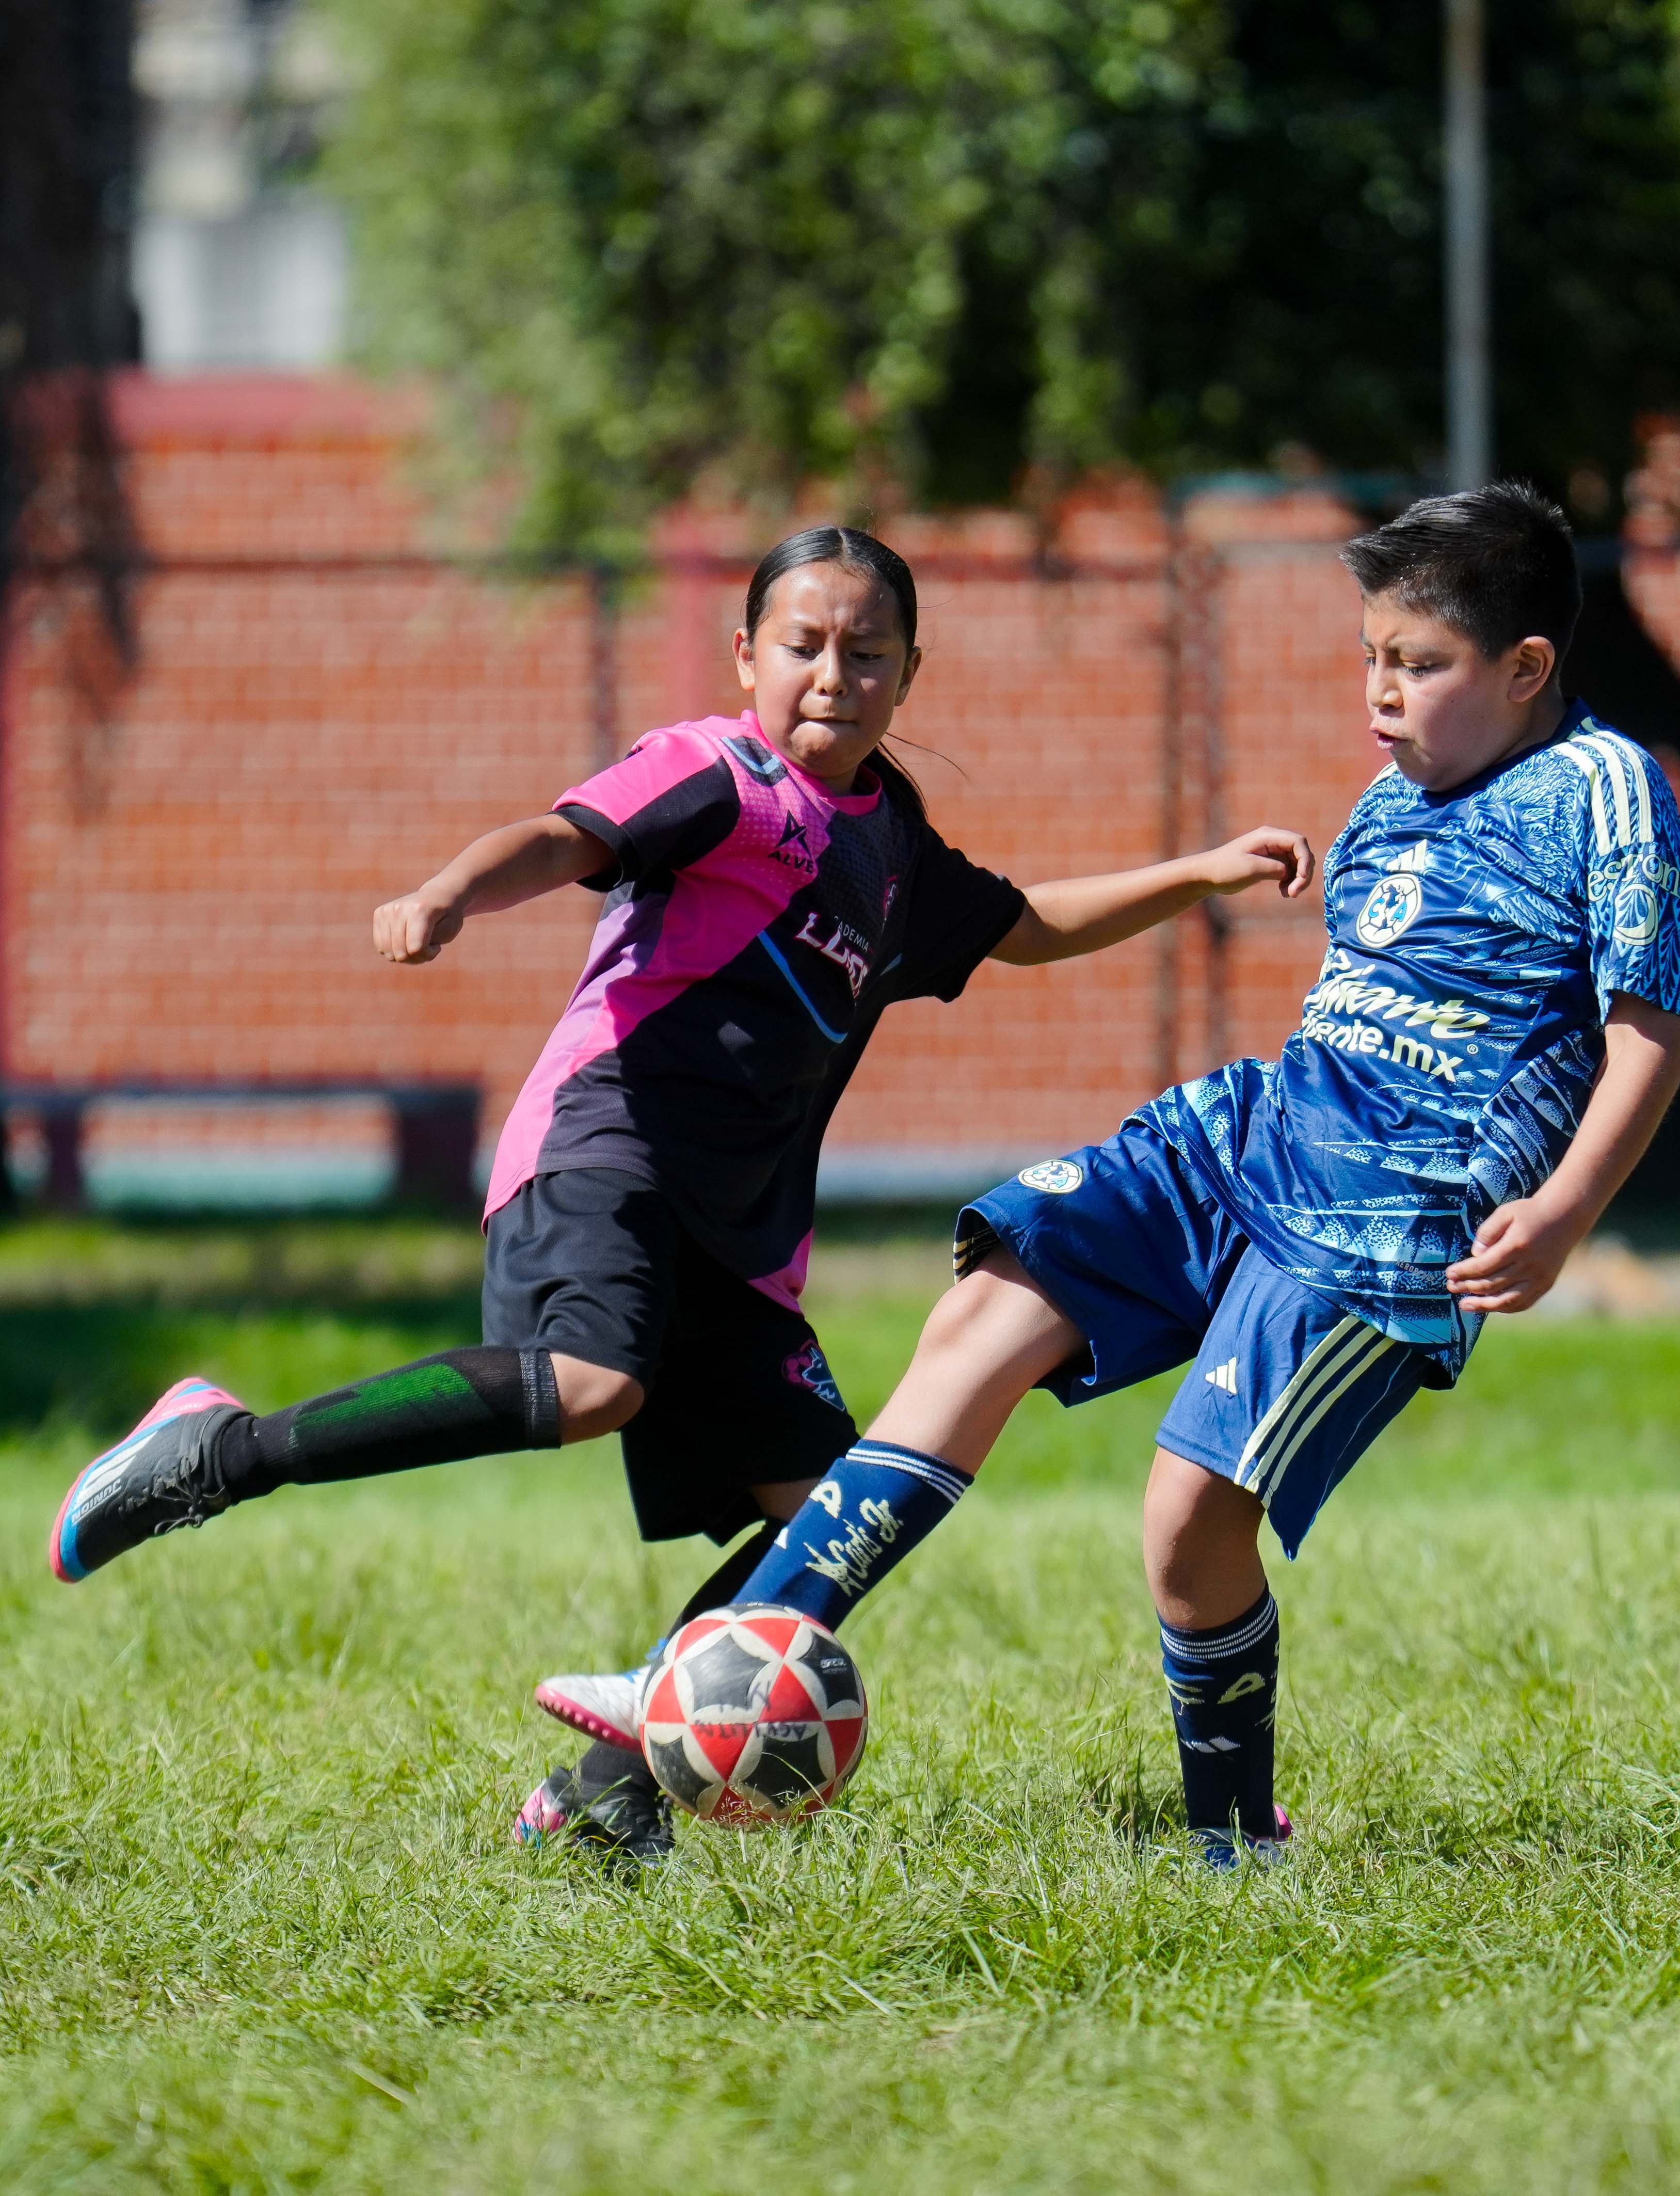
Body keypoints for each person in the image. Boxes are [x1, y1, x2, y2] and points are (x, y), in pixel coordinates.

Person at [47, 523, 1313, 1861]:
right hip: (608, 1153)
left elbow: (1023, 925)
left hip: (745, 1241)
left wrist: (1200, 873)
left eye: (867, 652)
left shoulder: (891, 843)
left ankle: (611, 1795)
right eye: (804, 645)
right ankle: (220, 1451)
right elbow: (562, 835)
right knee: (592, 1383)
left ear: (908, 673)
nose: (834, 674)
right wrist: (451, 894)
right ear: (746, 655)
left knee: (833, 1517)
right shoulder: (720, 777)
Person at [546, 483, 1680, 1868]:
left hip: (1385, 1215)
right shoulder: (1393, 797)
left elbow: (1647, 1026)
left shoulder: (1604, 791)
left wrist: (1564, 1207)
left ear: (1524, 669)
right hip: (1250, 1134)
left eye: (1418, 665)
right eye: (1368, 659)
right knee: (979, 1314)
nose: (1380, 694)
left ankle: (1230, 1844)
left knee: (1183, 1522)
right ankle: (732, 1658)